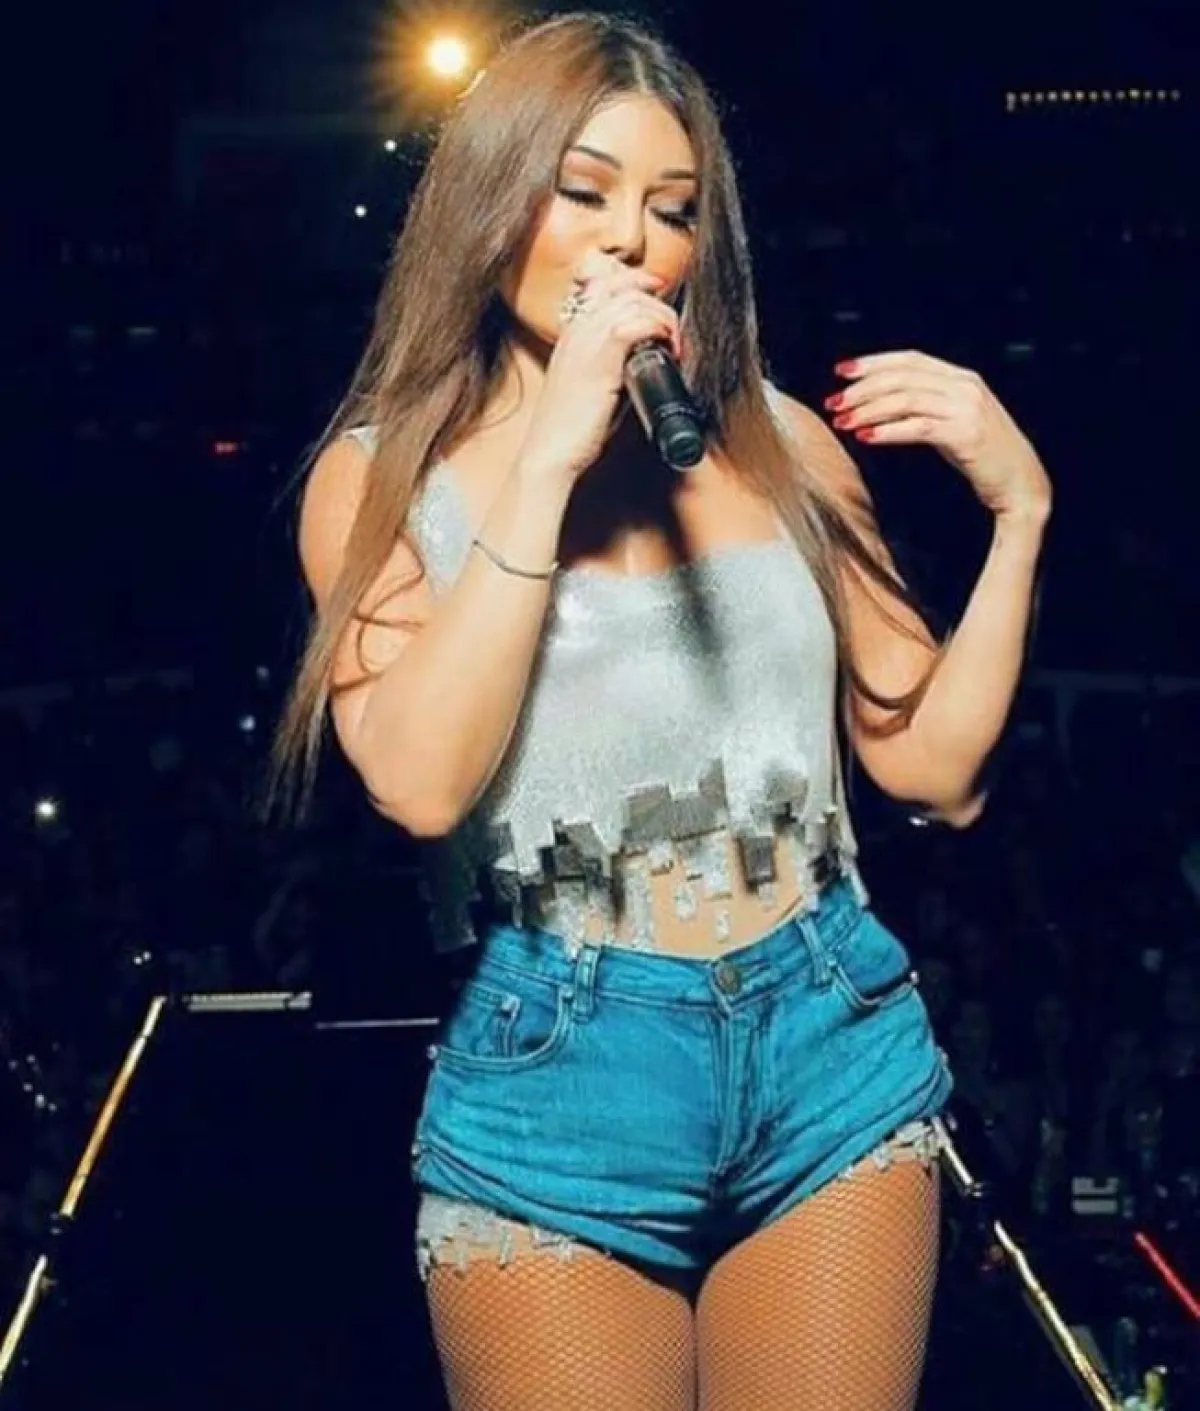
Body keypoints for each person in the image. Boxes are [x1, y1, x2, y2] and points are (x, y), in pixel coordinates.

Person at [268, 12, 1051, 1410]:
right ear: (493, 201)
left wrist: (1021, 514)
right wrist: (547, 461)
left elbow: (937, 770)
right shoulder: (378, 482)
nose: (631, 240)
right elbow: (420, 784)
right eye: (584, 192)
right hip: (560, 1077)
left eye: (673, 210)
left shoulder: (781, 442)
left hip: (829, 1042)